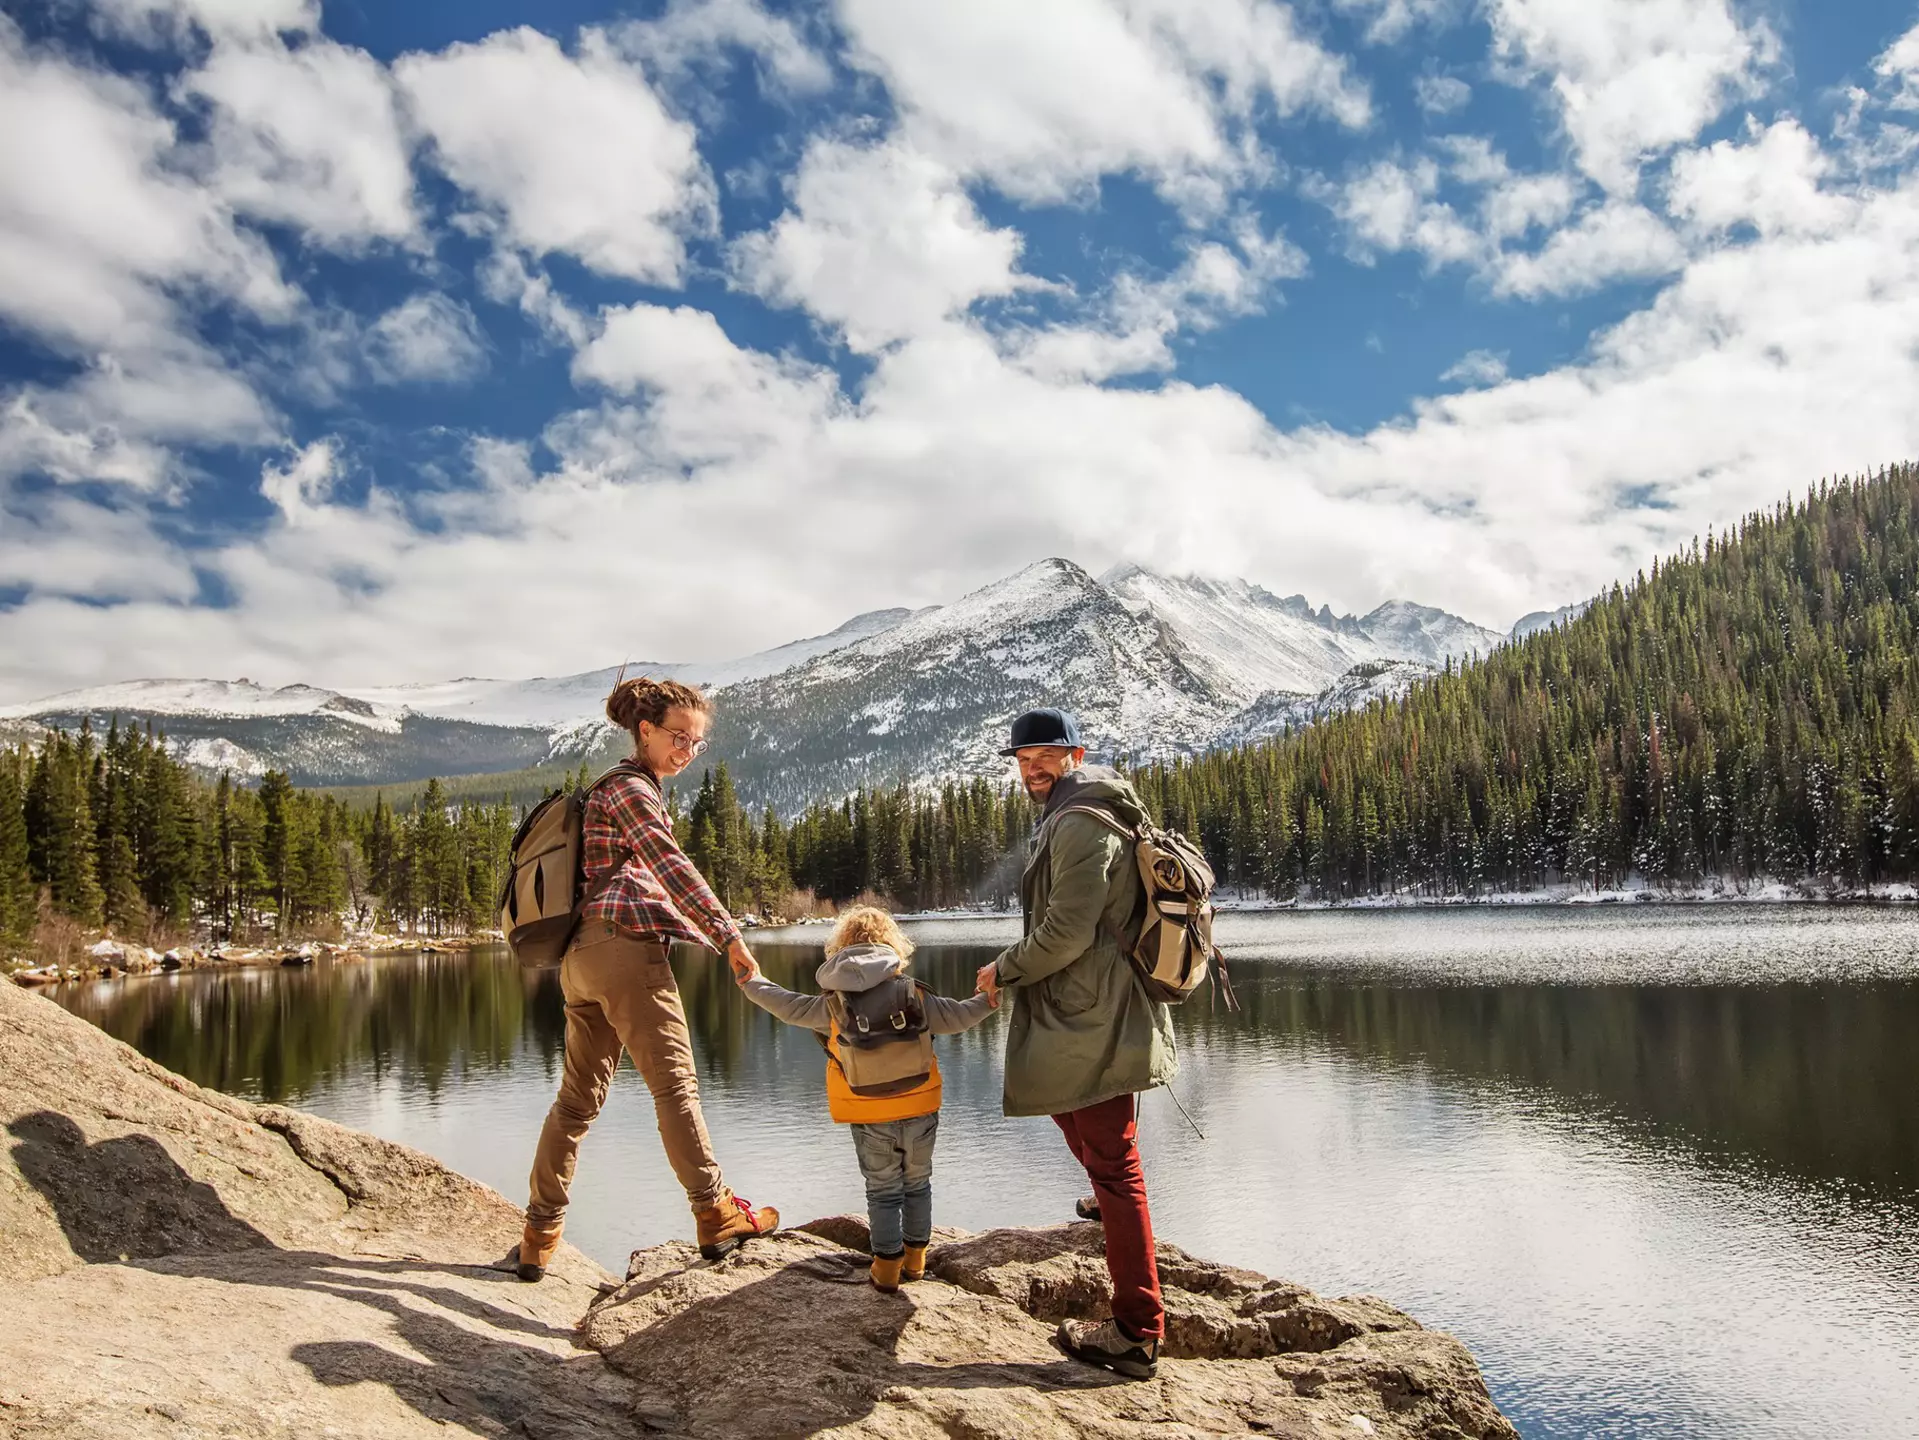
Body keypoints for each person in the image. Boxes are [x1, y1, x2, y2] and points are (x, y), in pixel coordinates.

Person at [513, 676, 779, 1281]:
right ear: (646, 731)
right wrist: (727, 934)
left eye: (697, 743)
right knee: (675, 1086)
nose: (686, 750)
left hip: (580, 960)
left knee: (576, 1101)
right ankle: (715, 1212)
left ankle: (538, 1232)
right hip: (624, 954)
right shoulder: (633, 789)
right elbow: (668, 861)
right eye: (678, 737)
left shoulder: (612, 789)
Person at [975, 707, 1176, 1380]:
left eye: (1044, 757)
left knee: (1117, 1165)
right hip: (1085, 1005)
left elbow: (1065, 930)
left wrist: (1002, 968)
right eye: (1022, 759)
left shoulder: (1082, 820)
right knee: (1083, 1130)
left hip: (1093, 1010)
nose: (1031, 768)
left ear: (1074, 754)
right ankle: (1104, 1209)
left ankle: (1136, 1330)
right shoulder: (1074, 810)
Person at [730, 906, 997, 1291]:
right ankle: (917, 1262)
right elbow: (957, 1017)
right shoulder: (913, 994)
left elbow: (787, 1006)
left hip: (868, 1111)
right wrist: (987, 1001)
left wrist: (752, 982)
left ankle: (886, 1269)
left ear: (840, 947)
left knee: (883, 1190)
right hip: (920, 1105)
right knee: (918, 1184)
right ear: (893, 945)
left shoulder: (835, 1004)